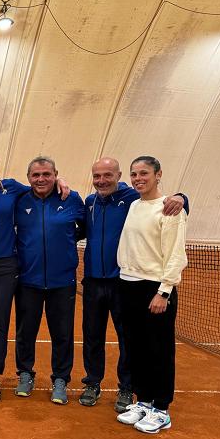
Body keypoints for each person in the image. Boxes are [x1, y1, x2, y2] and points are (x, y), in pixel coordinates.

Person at [0, 151, 68, 401]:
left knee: (1, 321)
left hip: (7, 266)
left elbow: (41, 186)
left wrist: (61, 182)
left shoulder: (14, 189)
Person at [79, 157, 187, 411]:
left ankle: (128, 388)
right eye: (97, 176)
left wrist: (182, 197)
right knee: (93, 336)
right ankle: (92, 382)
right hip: (96, 281)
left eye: (108, 175)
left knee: (130, 340)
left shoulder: (130, 198)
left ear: (118, 177)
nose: (101, 181)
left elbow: (165, 205)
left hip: (124, 283)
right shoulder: (90, 201)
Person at [116, 156, 187, 434]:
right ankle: (143, 401)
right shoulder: (134, 204)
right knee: (136, 348)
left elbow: (175, 255)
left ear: (158, 174)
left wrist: (164, 292)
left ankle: (161, 408)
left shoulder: (171, 208)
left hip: (154, 289)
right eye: (134, 174)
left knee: (159, 349)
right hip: (128, 285)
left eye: (144, 173)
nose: (138, 178)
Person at [13, 156, 84, 405]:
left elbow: (85, 226)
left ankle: (61, 379)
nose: (41, 179)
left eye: (47, 174)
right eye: (36, 175)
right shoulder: (20, 199)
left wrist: (65, 242)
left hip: (62, 281)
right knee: (25, 331)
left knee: (62, 333)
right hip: (27, 280)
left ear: (56, 175)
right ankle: (25, 373)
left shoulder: (71, 199)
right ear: (28, 178)